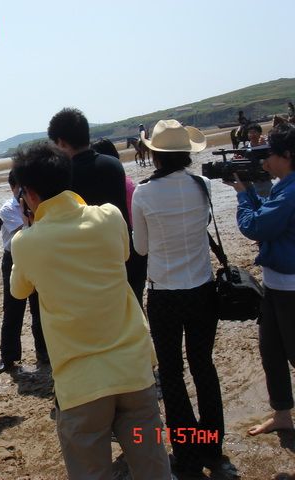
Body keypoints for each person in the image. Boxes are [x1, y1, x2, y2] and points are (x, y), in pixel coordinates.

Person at [10, 142, 171, 480]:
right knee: (153, 465)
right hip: (134, 371)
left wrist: (28, 228)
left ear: (30, 194)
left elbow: (17, 289)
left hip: (80, 385)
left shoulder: (26, 243)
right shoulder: (110, 216)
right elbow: (125, 254)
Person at [131, 119, 225, 476]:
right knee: (204, 366)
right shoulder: (201, 185)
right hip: (202, 290)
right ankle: (213, 445)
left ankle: (187, 452)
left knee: (171, 374)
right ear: (186, 154)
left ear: (153, 155)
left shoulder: (143, 194)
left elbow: (140, 247)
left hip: (165, 295)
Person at [225, 123, 295, 436]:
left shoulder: (291, 192)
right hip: (276, 286)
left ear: (288, 155)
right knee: (272, 352)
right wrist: (249, 190)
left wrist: (242, 196)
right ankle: (282, 414)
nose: (265, 160)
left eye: (270, 154)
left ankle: (282, 414)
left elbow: (255, 227)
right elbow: (264, 218)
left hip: (290, 290)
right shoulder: (284, 187)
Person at [47, 108, 145, 307]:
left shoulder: (63, 176)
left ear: (62, 142)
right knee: (133, 312)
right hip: (124, 255)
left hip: (89, 267)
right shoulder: (113, 165)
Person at [0, 170, 48, 374]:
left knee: (39, 307)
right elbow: (23, 236)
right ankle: (7, 357)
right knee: (12, 308)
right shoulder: (8, 208)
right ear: (13, 188)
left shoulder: (36, 205)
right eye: (20, 188)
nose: (23, 193)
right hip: (14, 257)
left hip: (35, 256)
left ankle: (43, 353)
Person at [91, 138, 147, 307]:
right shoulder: (128, 183)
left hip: (119, 250)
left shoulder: (117, 185)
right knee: (135, 299)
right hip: (134, 249)